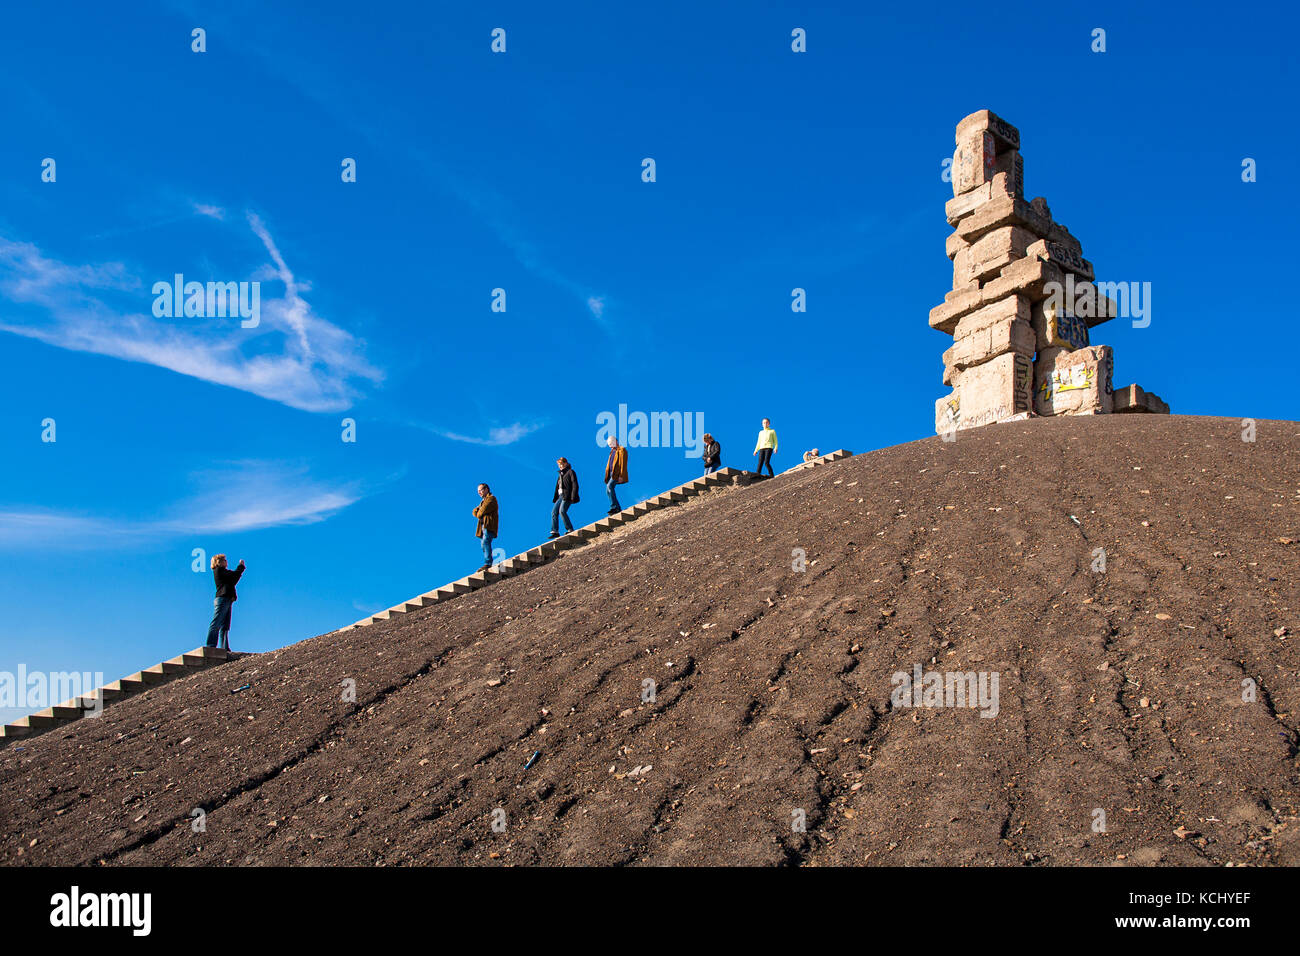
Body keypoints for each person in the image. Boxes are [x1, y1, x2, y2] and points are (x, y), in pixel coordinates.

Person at [206, 554, 245, 651]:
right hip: (222, 598)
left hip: (227, 599)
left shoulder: (222, 572)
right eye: (224, 560)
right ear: (218, 561)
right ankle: (211, 645)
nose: (226, 561)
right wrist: (240, 567)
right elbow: (233, 577)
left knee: (225, 625)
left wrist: (240, 568)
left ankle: (224, 647)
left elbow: (233, 579)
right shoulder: (219, 571)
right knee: (217, 622)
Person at [550, 457, 580, 538]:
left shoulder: (570, 472)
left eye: (561, 464)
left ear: (566, 463)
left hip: (567, 495)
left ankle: (569, 529)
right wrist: (555, 498)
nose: (560, 466)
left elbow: (575, 484)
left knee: (562, 511)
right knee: (554, 512)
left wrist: (573, 496)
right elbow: (557, 487)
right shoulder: (560, 475)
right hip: (560, 497)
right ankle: (554, 531)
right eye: (559, 465)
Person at [473, 483, 498, 572]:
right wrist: (479, 512)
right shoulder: (482, 502)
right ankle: (487, 562)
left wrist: (479, 512)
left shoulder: (491, 499)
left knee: (485, 542)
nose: (479, 492)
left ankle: (488, 563)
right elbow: (474, 511)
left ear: (486, 489)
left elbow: (479, 512)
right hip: (483, 527)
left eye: (481, 490)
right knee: (483, 544)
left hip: (489, 526)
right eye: (478, 491)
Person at [604, 437, 629, 514]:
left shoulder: (622, 450)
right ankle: (617, 508)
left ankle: (614, 507)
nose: (610, 446)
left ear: (616, 442)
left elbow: (623, 464)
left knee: (609, 487)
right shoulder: (612, 451)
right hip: (611, 473)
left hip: (617, 473)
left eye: (611, 444)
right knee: (607, 490)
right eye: (609, 445)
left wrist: (621, 475)